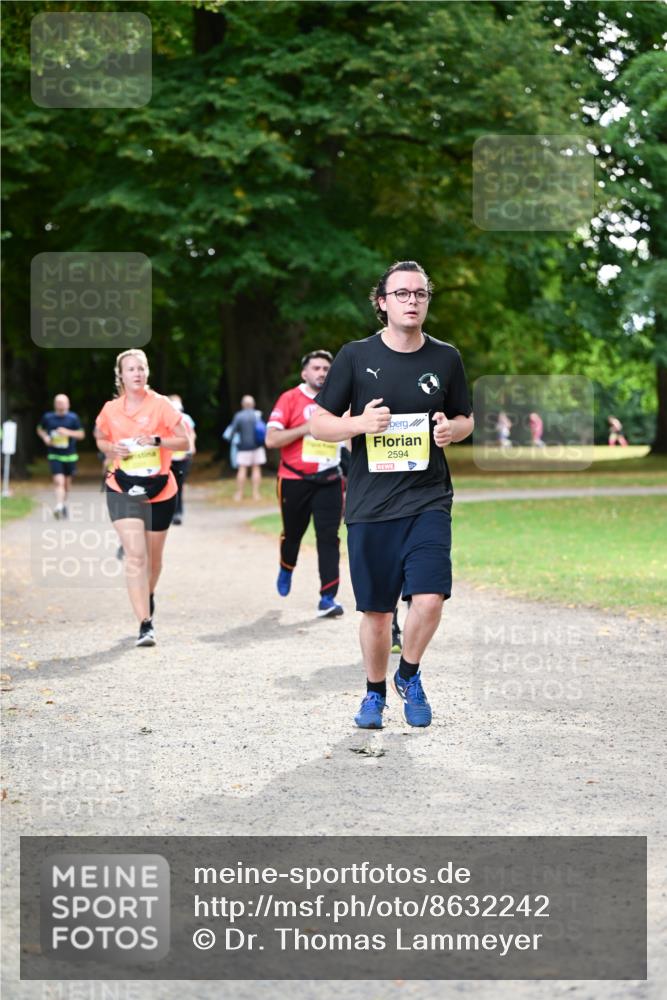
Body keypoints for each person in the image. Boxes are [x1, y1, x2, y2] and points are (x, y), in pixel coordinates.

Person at [310, 260, 474, 728]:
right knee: (378, 612)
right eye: (401, 294)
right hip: (371, 505)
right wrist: (358, 424)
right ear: (382, 302)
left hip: (428, 498)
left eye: (420, 294)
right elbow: (318, 423)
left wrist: (451, 430)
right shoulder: (355, 356)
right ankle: (374, 693)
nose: (412, 302)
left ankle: (410, 674)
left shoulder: (446, 358)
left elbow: (465, 417)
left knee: (429, 598)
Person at [94, 350, 190, 647]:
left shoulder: (162, 405)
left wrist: (157, 440)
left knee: (153, 559)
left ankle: (146, 595)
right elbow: (99, 437)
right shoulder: (110, 409)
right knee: (135, 556)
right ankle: (145, 623)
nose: (137, 373)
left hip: (160, 488)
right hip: (122, 487)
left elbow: (185, 441)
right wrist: (111, 449)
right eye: (131, 369)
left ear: (147, 372)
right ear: (120, 375)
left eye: (141, 368)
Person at [265, 351, 345, 618]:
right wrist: (307, 428)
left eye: (326, 368)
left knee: (328, 538)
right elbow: (272, 440)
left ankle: (328, 597)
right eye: (317, 368)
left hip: (330, 480)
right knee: (293, 534)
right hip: (293, 480)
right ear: (304, 374)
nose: (322, 372)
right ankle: (287, 566)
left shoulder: (340, 398)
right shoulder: (289, 399)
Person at [36, 394, 85, 519]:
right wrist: (45, 437)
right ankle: (58, 505)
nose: (61, 405)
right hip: (54, 455)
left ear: (68, 404)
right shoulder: (48, 417)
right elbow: (39, 429)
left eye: (63, 402)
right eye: (58, 402)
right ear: (55, 404)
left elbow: (81, 435)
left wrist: (67, 432)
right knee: (59, 482)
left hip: (70, 456)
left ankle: (63, 503)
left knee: (67, 485)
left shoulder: (73, 418)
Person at [228, 395, 267, 501]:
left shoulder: (239, 416)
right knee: (256, 469)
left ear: (243, 404)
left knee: (242, 469)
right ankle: (256, 494)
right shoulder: (257, 415)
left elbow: (232, 431)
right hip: (258, 446)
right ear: (253, 404)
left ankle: (239, 494)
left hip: (243, 448)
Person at [168, 394, 196, 524]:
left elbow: (191, 434)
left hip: (183, 457)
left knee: (178, 486)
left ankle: (178, 513)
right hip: (168, 458)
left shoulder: (186, 419)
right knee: (168, 486)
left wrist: (191, 448)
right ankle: (169, 513)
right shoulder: (165, 419)